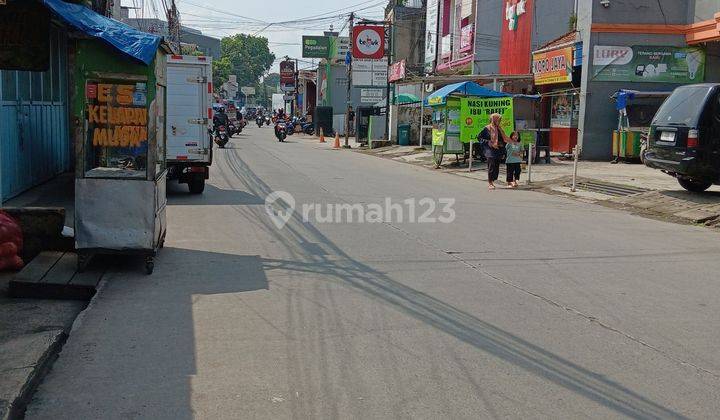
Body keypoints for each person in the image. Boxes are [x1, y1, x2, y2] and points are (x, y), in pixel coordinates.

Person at [478, 113, 509, 190]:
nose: (499, 121)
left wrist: (501, 144)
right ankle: (490, 182)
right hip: (489, 149)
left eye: (500, 120)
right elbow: (479, 137)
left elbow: (504, 139)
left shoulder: (499, 129)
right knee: (491, 164)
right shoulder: (487, 128)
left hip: (498, 149)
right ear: (494, 120)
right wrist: (488, 142)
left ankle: (493, 178)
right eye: (498, 120)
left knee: (496, 165)